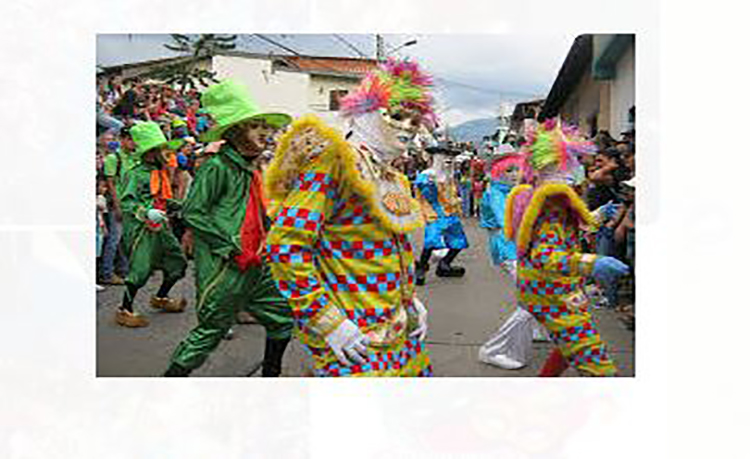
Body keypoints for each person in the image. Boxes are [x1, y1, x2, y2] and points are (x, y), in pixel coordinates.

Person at [264, 58, 433, 377]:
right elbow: (286, 246)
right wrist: (328, 321)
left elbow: (394, 248)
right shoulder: (334, 161)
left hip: (397, 328)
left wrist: (411, 301)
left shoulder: (393, 177)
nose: (409, 127)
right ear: (368, 113)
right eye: (397, 115)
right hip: (352, 332)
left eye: (416, 120)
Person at [164, 80, 294, 377]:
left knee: (282, 317)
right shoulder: (218, 166)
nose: (265, 132)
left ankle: (271, 377)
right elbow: (193, 212)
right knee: (208, 333)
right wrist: (230, 248)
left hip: (257, 264)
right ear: (235, 133)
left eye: (265, 126)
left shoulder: (250, 168)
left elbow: (257, 212)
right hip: (226, 267)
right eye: (255, 126)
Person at [505, 119, 629, 376]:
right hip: (551, 292)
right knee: (595, 361)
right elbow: (546, 255)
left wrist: (599, 215)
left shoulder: (552, 197)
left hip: (552, 288)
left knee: (567, 347)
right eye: (577, 162)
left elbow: (568, 233)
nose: (582, 168)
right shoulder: (552, 202)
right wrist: (592, 263)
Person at [115, 121, 188, 327]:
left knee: (177, 262)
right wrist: (147, 212)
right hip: (141, 229)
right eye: (162, 149)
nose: (167, 153)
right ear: (151, 152)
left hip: (161, 226)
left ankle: (161, 297)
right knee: (140, 269)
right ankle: (124, 309)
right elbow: (127, 201)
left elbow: (161, 198)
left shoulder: (160, 173)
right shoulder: (135, 174)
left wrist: (181, 206)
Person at [413, 141, 469, 285]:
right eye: (444, 155)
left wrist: (456, 203)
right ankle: (422, 268)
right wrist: (430, 184)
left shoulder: (448, 176)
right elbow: (426, 195)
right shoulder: (427, 176)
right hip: (434, 214)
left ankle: (445, 264)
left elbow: (451, 194)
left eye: (451, 155)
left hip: (450, 214)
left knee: (459, 241)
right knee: (431, 241)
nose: (448, 158)